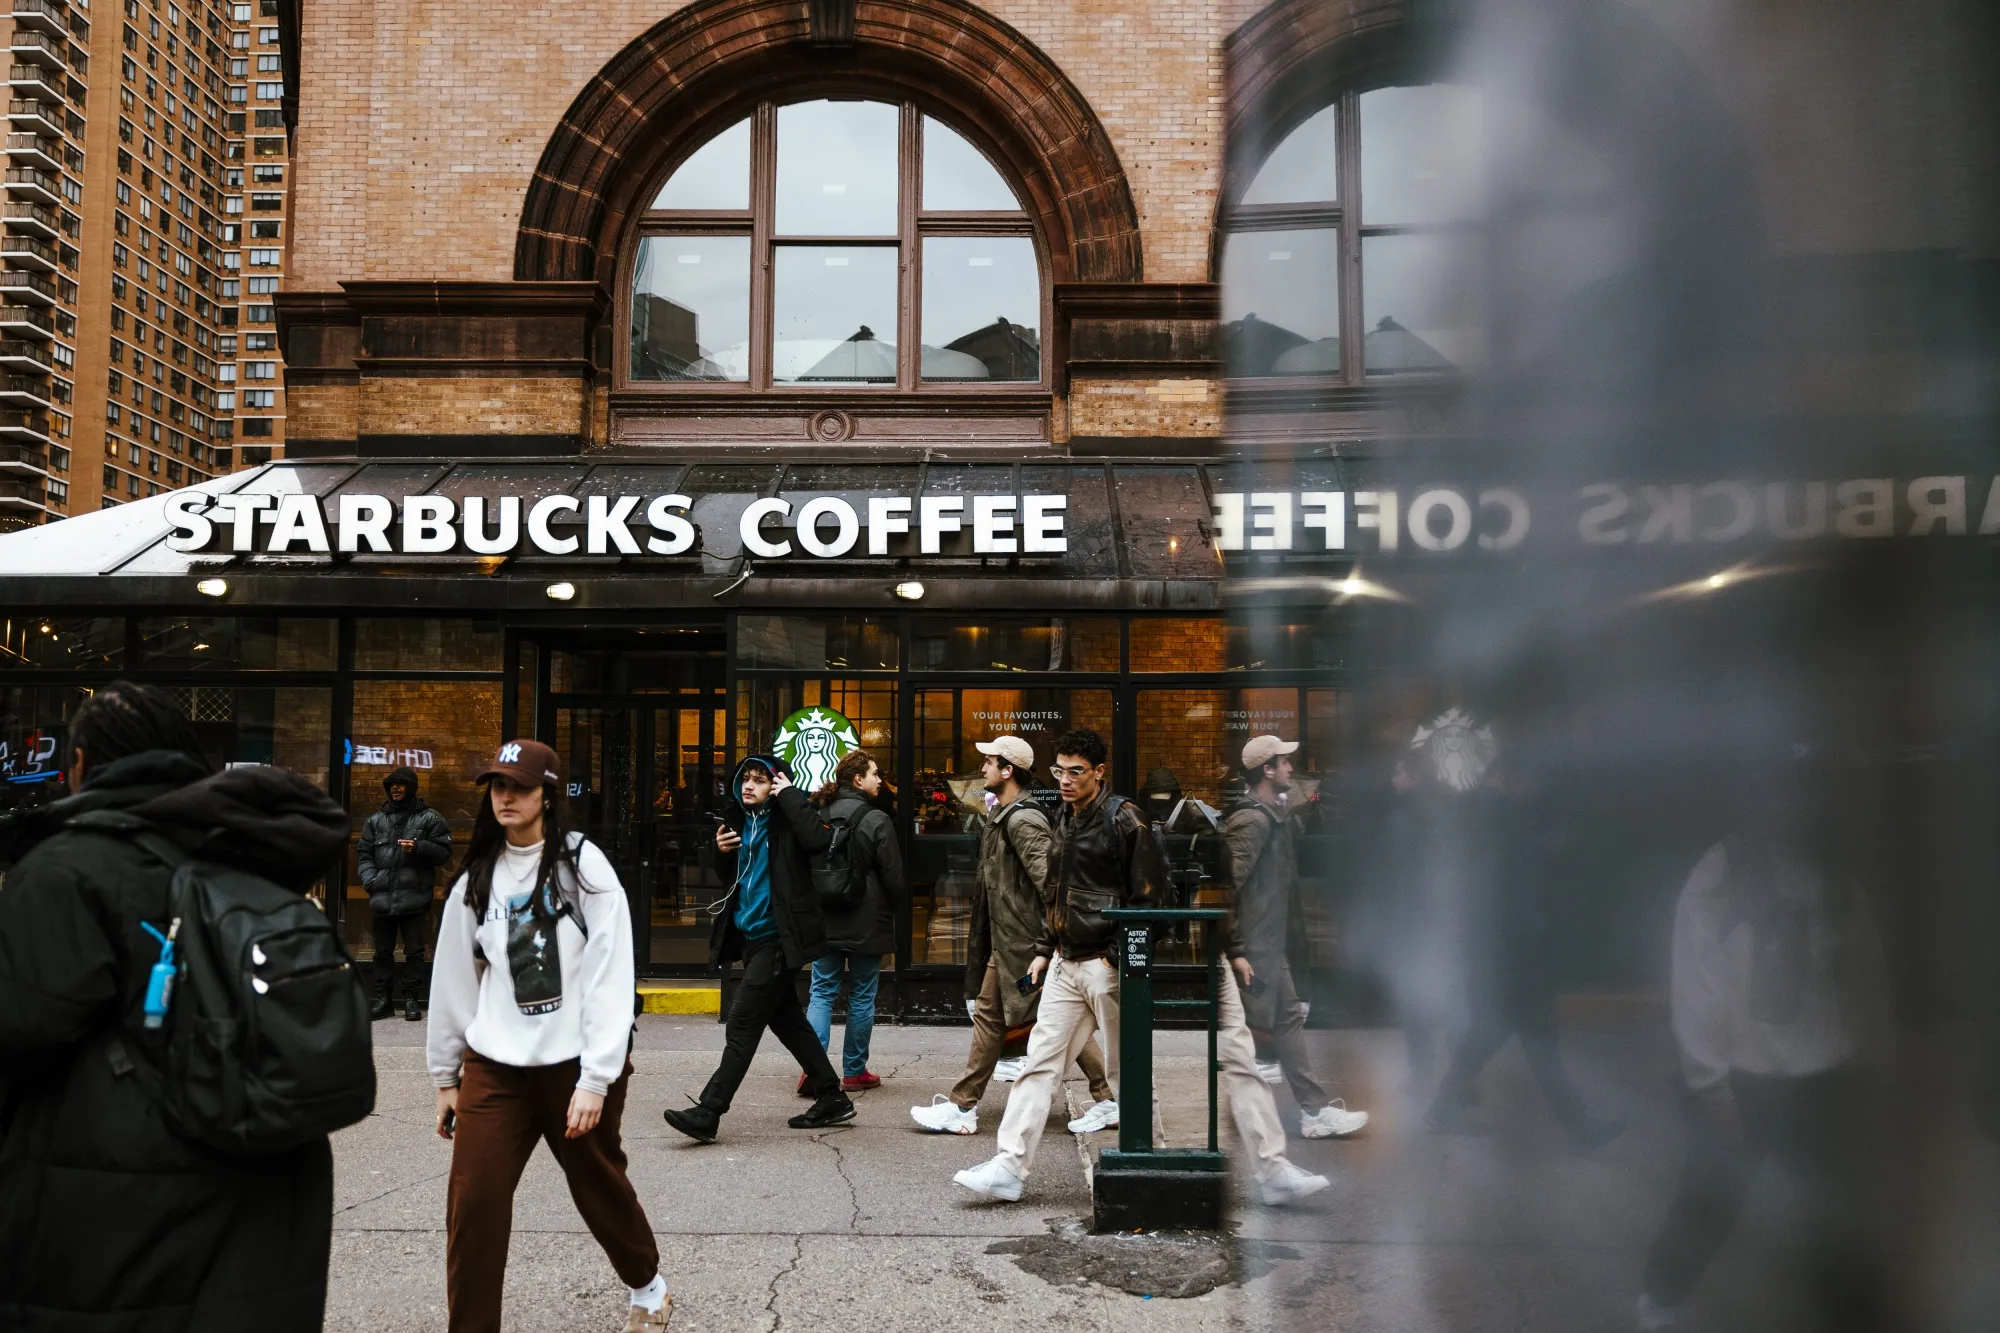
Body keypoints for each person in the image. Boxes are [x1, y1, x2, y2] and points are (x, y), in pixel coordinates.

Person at [0, 681, 348, 1331]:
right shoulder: (251, 854)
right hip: (263, 1202)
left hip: (113, 1215)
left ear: (80, 763)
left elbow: (21, 1025)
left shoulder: (68, 867)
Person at [1636, 766, 1891, 1331]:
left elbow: (1864, 975)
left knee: (1833, 1210)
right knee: (1710, 1198)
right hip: (1745, 1077)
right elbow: (1695, 987)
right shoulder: (1720, 875)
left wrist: (1867, 1056)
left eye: (1802, 795)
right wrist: (1709, 1085)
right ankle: (1660, 1297)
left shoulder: (1835, 878)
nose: (1789, 810)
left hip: (1823, 1072)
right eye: (1778, 795)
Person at [427, 739, 669, 1333]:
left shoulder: (584, 867)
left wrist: (596, 1077)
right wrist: (445, 1075)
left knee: (596, 1183)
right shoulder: (476, 878)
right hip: (495, 1067)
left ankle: (648, 1285)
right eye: (498, 786)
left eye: (521, 787)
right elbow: (454, 978)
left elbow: (612, 975)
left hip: (574, 1066)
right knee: (474, 1203)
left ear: (547, 795)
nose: (507, 797)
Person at [952, 727, 1167, 1201]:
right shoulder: (1064, 818)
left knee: (1120, 1070)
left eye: (1076, 772)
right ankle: (1009, 1167)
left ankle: (1144, 1162)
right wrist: (1045, 949)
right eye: (1060, 771)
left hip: (1104, 964)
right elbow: (1055, 893)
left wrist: (1117, 957)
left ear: (1098, 772)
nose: (1066, 780)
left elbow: (1150, 896)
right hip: (1069, 962)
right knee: (1037, 1066)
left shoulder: (1125, 819)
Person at [911, 736, 1115, 1135]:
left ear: (1008, 770)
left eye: (988, 763)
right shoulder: (1004, 814)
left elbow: (1050, 885)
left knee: (1015, 1018)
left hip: (1022, 944)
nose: (981, 769)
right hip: (1009, 941)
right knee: (1032, 1020)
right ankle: (1109, 1098)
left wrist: (1046, 944)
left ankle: (962, 1107)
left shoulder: (1023, 819)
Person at [1422, 764, 1621, 1149]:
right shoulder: (1505, 821)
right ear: (1516, 778)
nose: (1533, 790)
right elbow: (1515, 895)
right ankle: (1581, 1129)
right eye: (1530, 782)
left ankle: (1579, 1127)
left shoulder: (1482, 818)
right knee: (1532, 1043)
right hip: (1516, 955)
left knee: (1499, 1038)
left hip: (1499, 954)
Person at [664, 754, 852, 1143]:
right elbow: (730, 879)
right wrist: (720, 851)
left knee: (743, 1022)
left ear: (776, 785)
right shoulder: (738, 822)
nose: (749, 785)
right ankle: (832, 1096)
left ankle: (709, 1110)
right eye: (745, 779)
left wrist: (791, 796)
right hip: (751, 938)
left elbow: (819, 842)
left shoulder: (789, 819)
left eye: (760, 780)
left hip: (779, 938)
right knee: (788, 1022)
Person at [1227, 736, 1369, 1140]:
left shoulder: (1275, 814)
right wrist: (1237, 949)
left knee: (1284, 1021)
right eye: (1285, 763)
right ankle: (1265, 1123)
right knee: (1248, 1037)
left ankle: (1312, 1112)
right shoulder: (1251, 821)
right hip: (1255, 948)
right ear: (1266, 771)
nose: (1292, 769)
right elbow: (1229, 887)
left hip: (1269, 944)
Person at [807, 749, 904, 1092]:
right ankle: (854, 1072)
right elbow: (893, 876)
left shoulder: (820, 813)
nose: (881, 780)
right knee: (862, 996)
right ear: (858, 779)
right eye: (876, 774)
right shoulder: (877, 820)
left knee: (821, 992)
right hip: (867, 919)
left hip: (825, 918)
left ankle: (813, 1069)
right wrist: (894, 911)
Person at [357, 764, 453, 1021]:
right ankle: (383, 999)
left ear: (412, 788)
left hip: (415, 897)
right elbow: (364, 855)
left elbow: (444, 852)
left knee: (414, 951)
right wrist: (371, 881)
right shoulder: (375, 821)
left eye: (400, 785)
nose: (395, 789)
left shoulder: (430, 818)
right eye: (392, 785)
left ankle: (411, 999)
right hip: (382, 895)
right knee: (382, 952)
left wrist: (419, 848)